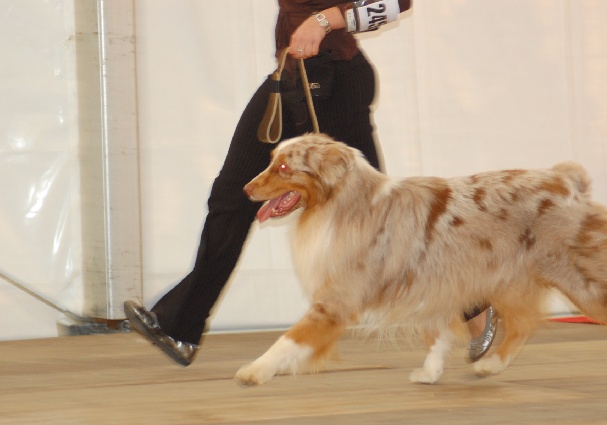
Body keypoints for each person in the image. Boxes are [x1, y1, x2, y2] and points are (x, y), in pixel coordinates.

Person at [125, 0, 497, 366]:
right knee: (231, 195)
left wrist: (324, 20)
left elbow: (395, 2)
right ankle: (180, 326)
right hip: (293, 78)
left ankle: (473, 307)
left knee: (379, 218)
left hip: (335, 80)